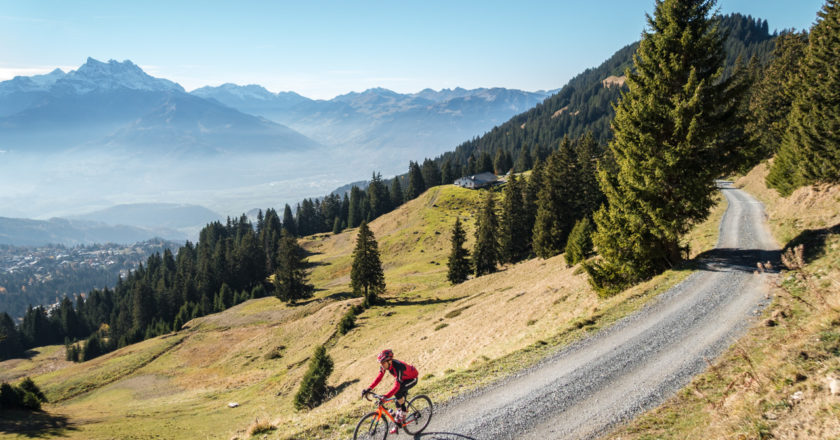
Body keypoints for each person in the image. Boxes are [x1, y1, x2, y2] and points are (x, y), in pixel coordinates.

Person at [362, 349, 419, 434]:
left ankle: (403, 412)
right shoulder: (385, 365)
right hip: (403, 379)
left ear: (390, 361)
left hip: (412, 378)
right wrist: (369, 389)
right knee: (397, 402)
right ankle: (398, 422)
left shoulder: (398, 367)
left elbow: (396, 387)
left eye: (383, 362)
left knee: (397, 392)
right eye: (381, 363)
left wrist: (385, 397)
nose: (382, 365)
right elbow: (379, 378)